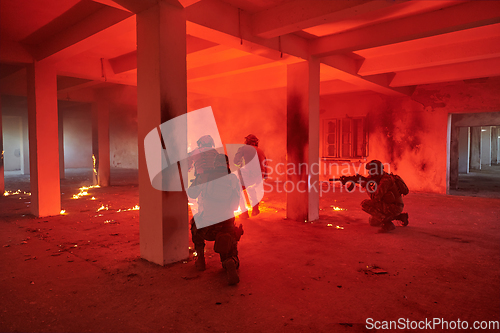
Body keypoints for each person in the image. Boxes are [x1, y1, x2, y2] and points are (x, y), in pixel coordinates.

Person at [187, 154, 243, 285]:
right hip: (226, 229)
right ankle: (229, 261)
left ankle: (200, 260)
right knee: (231, 251)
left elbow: (191, 193)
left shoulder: (204, 176)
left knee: (195, 223)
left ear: (215, 164)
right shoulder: (233, 179)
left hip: (207, 228)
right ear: (227, 165)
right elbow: (235, 206)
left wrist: (198, 180)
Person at [360, 160, 409, 233]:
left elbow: (375, 198)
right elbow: (367, 179)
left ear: (378, 170)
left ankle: (388, 224)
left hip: (394, 207)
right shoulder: (379, 176)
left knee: (365, 204)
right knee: (373, 221)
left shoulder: (385, 181)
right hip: (390, 204)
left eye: (372, 171)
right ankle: (400, 217)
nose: (370, 173)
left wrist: (366, 186)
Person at [233, 134, 268, 218]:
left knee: (237, 190)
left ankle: (244, 213)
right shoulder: (261, 151)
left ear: (247, 141)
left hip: (249, 174)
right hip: (260, 176)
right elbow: (266, 164)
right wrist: (265, 176)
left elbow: (235, 161)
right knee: (251, 188)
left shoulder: (243, 148)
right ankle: (255, 209)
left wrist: (240, 165)